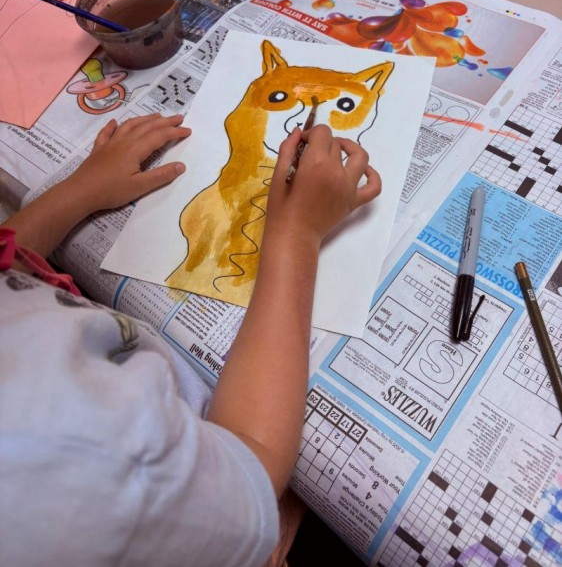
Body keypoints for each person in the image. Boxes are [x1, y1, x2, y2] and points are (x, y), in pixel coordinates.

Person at [0, 112, 381, 567]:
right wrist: (297, 231)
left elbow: (7, 261)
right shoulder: (64, 454)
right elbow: (253, 466)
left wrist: (81, 190)